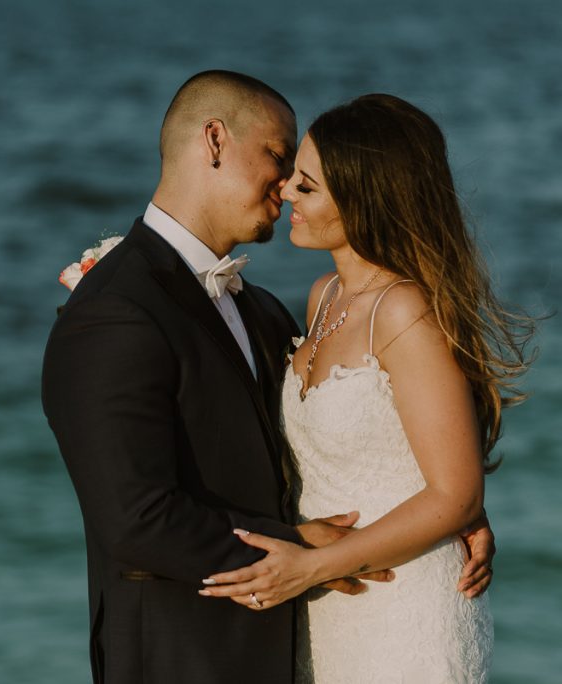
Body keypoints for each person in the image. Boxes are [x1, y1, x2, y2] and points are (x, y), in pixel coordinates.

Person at [42, 73, 496, 684]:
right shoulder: (115, 309)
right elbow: (135, 519)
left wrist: (450, 507)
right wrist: (304, 549)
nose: (286, 186)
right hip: (188, 655)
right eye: (279, 157)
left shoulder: (262, 310)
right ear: (214, 142)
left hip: (340, 626)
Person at [198, 94, 535, 683]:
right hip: (329, 605)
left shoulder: (402, 311)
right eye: (292, 179)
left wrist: (312, 566)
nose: (285, 194)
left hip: (405, 608)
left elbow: (456, 496)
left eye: (307, 186)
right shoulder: (323, 295)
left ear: (364, 201)